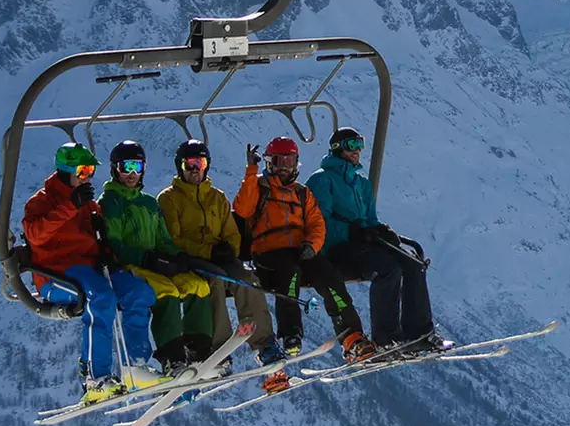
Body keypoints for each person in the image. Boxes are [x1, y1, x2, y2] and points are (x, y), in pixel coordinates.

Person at [22, 142, 159, 402]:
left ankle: (137, 366)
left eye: (90, 172)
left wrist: (108, 252)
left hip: (91, 269)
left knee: (138, 292)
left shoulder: (86, 202)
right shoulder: (42, 202)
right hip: (56, 274)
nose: (88, 177)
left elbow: (98, 237)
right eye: (83, 171)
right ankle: (96, 378)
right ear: (65, 170)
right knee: (100, 299)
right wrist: (70, 206)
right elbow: (35, 234)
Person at [233, 135, 375, 381]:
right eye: (279, 161)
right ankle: (290, 334)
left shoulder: (302, 193)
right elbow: (243, 209)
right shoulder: (259, 187)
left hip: (299, 250)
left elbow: (317, 223)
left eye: (289, 161)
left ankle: (351, 335)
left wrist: (313, 245)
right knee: (289, 274)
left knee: (328, 275)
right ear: (269, 162)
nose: (284, 166)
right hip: (269, 252)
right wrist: (251, 171)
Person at [308, 126, 438, 352]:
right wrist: (355, 233)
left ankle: (420, 334)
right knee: (387, 269)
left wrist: (379, 231)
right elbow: (321, 224)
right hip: (336, 248)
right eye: (351, 145)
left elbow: (368, 219)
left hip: (361, 244)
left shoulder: (361, 184)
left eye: (360, 145)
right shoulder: (322, 181)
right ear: (338, 149)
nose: (357, 150)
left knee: (413, 265)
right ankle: (386, 338)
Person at [156, 138, 280, 369]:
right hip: (191, 260)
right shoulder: (169, 199)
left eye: (199, 164)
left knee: (247, 280)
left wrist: (228, 249)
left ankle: (264, 343)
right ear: (179, 167)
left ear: (207, 166)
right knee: (214, 282)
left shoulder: (217, 197)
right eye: (189, 165)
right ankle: (219, 348)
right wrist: (207, 251)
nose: (194, 170)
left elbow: (231, 233)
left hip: (220, 257)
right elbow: (172, 238)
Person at [98, 140, 214, 374]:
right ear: (115, 169)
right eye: (126, 167)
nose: (131, 174)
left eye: (137, 167)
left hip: (155, 263)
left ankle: (199, 351)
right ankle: (173, 358)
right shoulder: (110, 202)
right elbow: (114, 244)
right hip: (130, 266)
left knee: (197, 285)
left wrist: (180, 257)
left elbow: (164, 239)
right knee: (166, 292)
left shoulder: (149, 203)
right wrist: (147, 258)